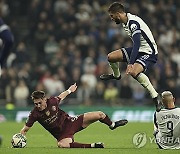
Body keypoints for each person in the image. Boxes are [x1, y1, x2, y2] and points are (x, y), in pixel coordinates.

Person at [20, 83, 128, 148]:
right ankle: (94, 146)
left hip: (71, 122)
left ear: (44, 99)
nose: (38, 105)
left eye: (40, 103)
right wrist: (20, 139)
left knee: (100, 114)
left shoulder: (52, 102)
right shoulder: (34, 114)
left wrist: (69, 90)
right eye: (36, 104)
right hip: (62, 135)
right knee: (62, 145)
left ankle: (112, 125)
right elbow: (25, 130)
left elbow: (61, 96)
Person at [100, 2, 162, 111]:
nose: (111, 18)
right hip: (138, 50)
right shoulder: (125, 21)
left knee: (133, 72)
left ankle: (155, 96)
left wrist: (131, 63)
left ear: (118, 14)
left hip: (148, 52)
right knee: (111, 57)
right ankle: (116, 75)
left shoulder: (133, 23)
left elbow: (137, 43)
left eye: (112, 15)